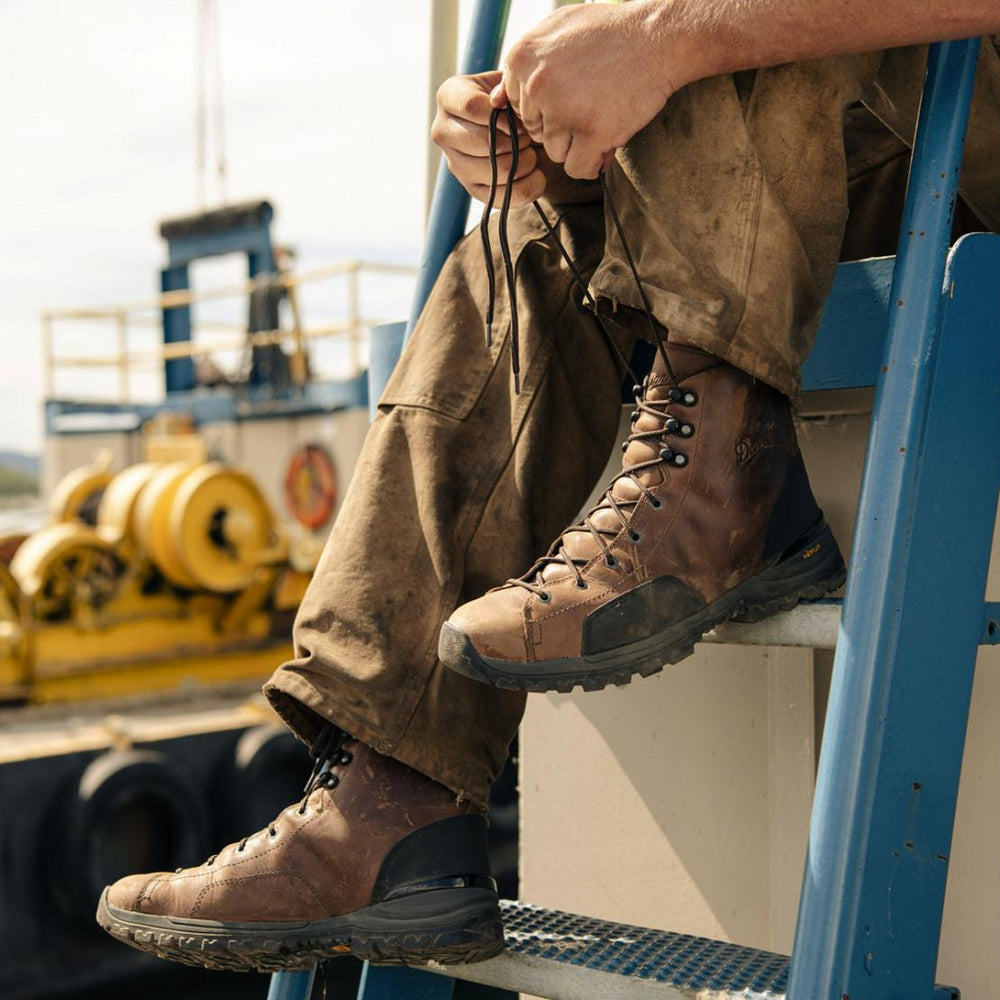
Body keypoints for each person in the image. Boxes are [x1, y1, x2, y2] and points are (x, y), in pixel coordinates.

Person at [96, 0, 1000, 973]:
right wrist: (552, 111)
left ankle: (721, 487)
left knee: (677, 37)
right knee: (537, 229)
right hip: (881, 132)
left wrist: (663, 36)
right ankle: (391, 798)